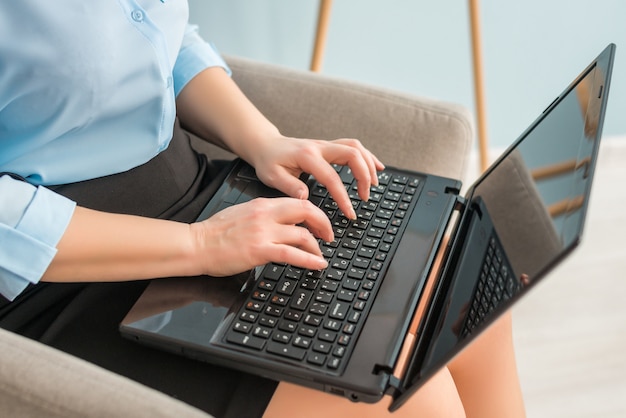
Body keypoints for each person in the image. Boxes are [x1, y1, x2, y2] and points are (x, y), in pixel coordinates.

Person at [0, 2, 526, 417]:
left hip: (200, 195)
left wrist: (264, 140)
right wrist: (201, 245)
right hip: (63, 271)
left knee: (468, 301)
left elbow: (159, 36)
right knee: (415, 404)